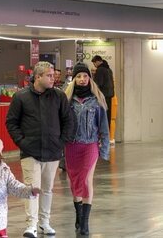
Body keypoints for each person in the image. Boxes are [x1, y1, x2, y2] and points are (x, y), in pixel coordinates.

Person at [6, 61, 73, 238]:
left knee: (47, 189)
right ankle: (31, 225)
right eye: (49, 76)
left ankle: (44, 222)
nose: (54, 78)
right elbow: (11, 122)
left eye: (54, 75)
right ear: (38, 77)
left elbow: (68, 121)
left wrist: (61, 143)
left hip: (53, 151)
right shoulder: (21, 97)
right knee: (32, 188)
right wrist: (22, 142)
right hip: (30, 152)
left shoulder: (59, 96)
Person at [64, 62, 110, 235]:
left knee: (85, 180)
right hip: (71, 146)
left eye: (85, 76)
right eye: (79, 77)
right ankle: (78, 214)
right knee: (75, 181)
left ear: (90, 79)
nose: (82, 79)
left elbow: (103, 127)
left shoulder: (97, 100)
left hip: (90, 146)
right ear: (74, 79)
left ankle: (85, 222)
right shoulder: (66, 100)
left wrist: (104, 149)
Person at [91, 55, 114, 128]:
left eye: (94, 63)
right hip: (109, 95)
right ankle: (107, 133)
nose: (94, 65)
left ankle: (102, 134)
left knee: (102, 116)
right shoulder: (109, 69)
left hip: (103, 96)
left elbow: (98, 84)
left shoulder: (100, 69)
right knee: (108, 115)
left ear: (97, 61)